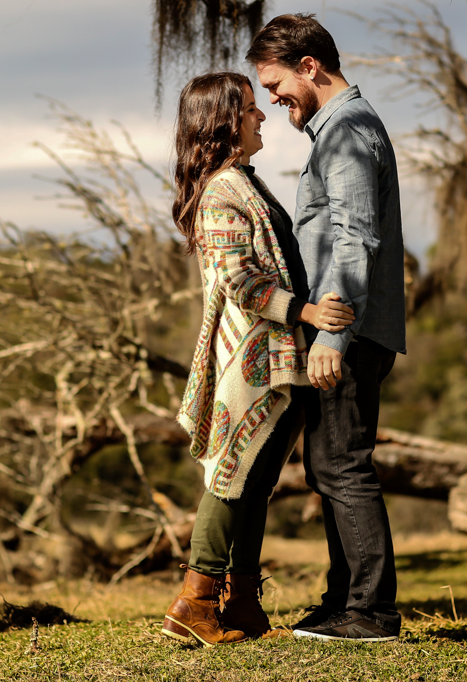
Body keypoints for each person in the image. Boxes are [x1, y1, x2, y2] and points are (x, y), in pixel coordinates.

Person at [161, 71, 356, 646]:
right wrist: (309, 313)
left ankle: (241, 601)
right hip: (251, 361)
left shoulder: (244, 183)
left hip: (279, 359)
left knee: (257, 481)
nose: (262, 115)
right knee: (232, 476)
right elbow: (238, 279)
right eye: (250, 108)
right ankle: (193, 603)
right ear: (223, 122)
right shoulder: (221, 192)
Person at [246, 13, 407, 643]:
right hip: (348, 328)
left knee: (342, 466)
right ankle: (344, 600)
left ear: (309, 67)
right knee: (328, 465)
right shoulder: (340, 130)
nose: (272, 97)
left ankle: (371, 613)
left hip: (349, 330)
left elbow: (355, 238)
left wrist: (332, 339)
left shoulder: (347, 132)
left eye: (276, 83)